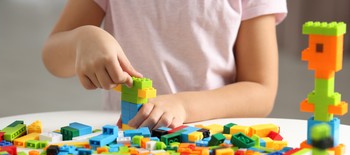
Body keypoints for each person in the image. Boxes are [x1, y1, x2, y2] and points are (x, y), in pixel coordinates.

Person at [42, 0, 287, 130]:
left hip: (209, 136)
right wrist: (82, 39)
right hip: (125, 138)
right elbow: (53, 58)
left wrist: (182, 105)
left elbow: (260, 91)